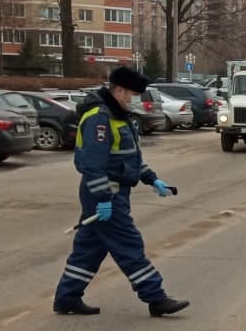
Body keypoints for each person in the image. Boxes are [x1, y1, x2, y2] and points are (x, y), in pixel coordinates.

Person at [53, 66, 189, 318]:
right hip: (105, 193)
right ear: (119, 90)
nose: (134, 99)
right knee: (129, 245)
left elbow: (128, 158)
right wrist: (103, 199)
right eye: (132, 95)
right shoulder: (99, 118)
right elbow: (94, 164)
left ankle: (67, 297)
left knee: (89, 249)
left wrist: (152, 179)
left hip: (113, 192)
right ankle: (155, 297)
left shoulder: (118, 116)